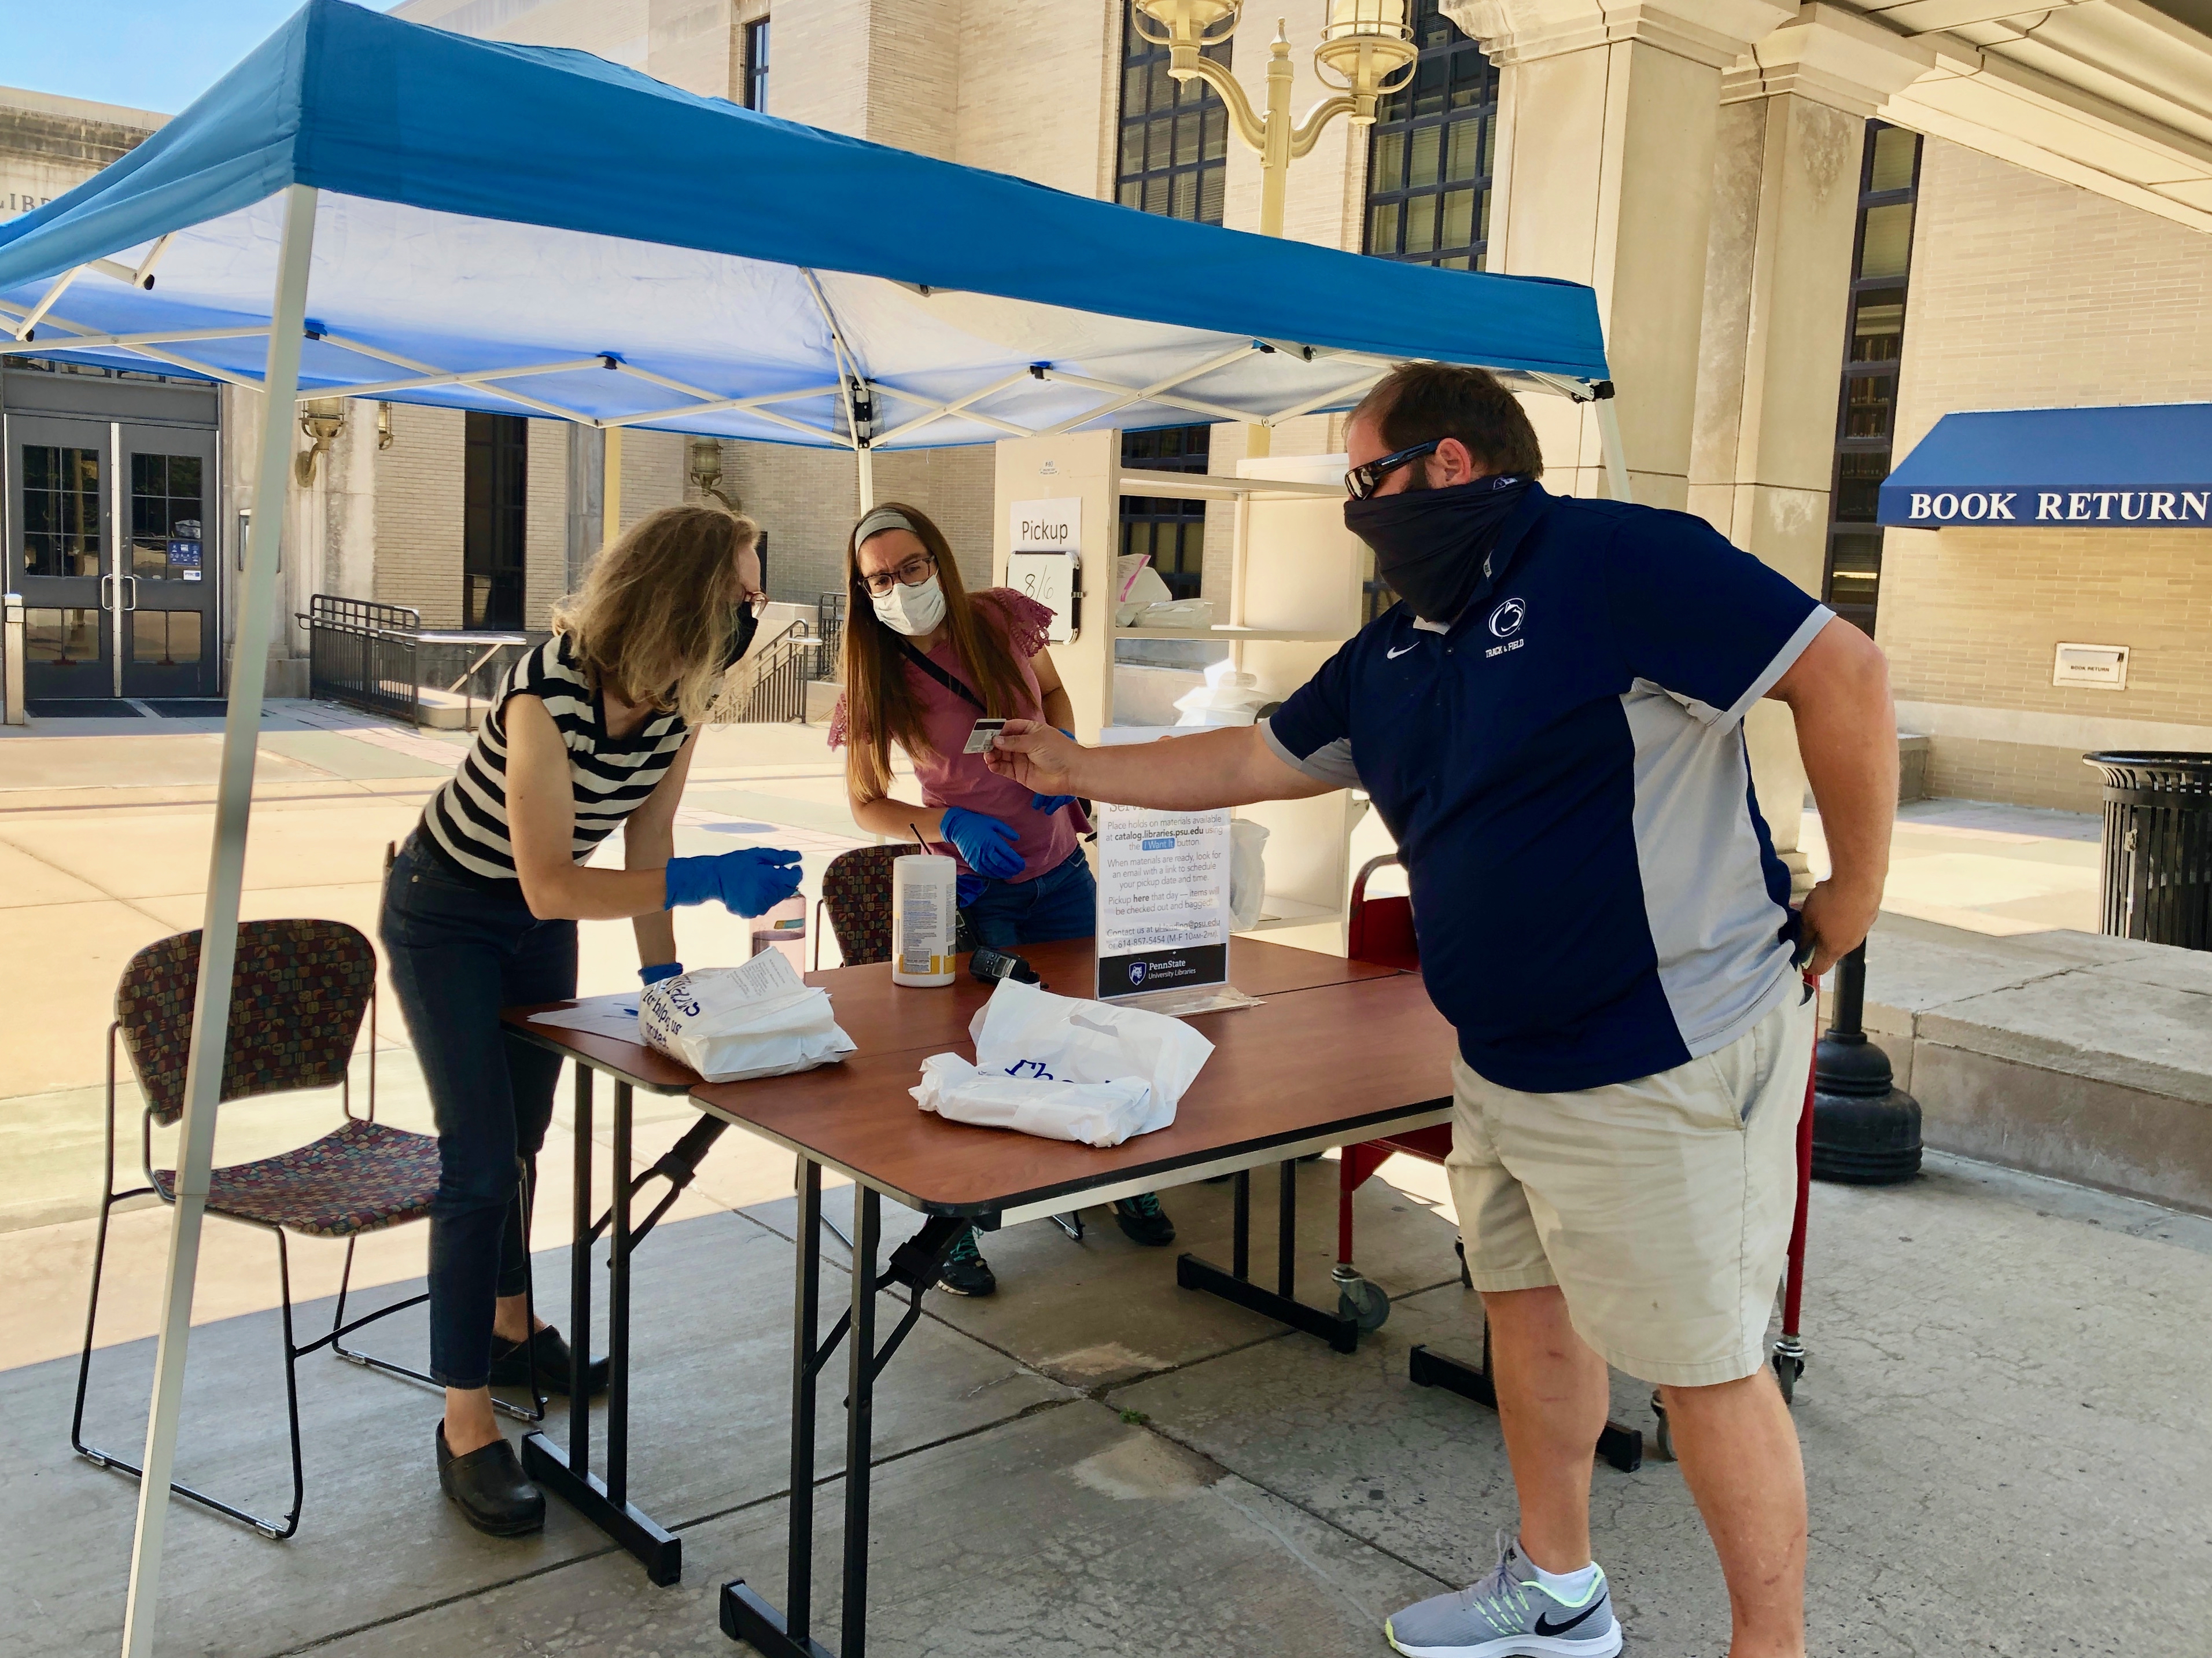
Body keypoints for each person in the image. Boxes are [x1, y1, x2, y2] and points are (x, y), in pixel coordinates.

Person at [987, 362, 1896, 1658]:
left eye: (1365, 476)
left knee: (1703, 1367)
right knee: (1524, 1314)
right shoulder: (1395, 645)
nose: (1357, 507)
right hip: (1501, 1057)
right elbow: (1256, 756)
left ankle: (1770, 1643)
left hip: (1663, 1049)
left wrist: (1852, 893)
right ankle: (1558, 1586)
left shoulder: (1611, 557)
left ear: (1450, 465)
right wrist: (1076, 765)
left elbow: (1841, 670)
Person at [380, 505, 803, 1538]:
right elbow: (548, 879)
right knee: (476, 1165)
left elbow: (646, 845)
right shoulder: (544, 694)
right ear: (682, 593)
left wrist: (664, 982)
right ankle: (467, 1424)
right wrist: (709, 881)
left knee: (522, 1148)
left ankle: (515, 1331)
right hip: (450, 914)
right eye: (744, 592)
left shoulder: (680, 700)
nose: (755, 609)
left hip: (535, 928)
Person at [829, 501, 1176, 1296]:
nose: (900, 585)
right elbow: (867, 804)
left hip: (1060, 870)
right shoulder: (873, 671)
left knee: (1100, 1023)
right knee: (979, 1053)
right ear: (862, 589)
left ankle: (1125, 1175)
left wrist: (1070, 767)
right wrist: (945, 819)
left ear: (939, 558)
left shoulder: (998, 618)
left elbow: (1053, 694)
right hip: (977, 889)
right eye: (879, 577)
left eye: (912, 566)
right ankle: (954, 1226)